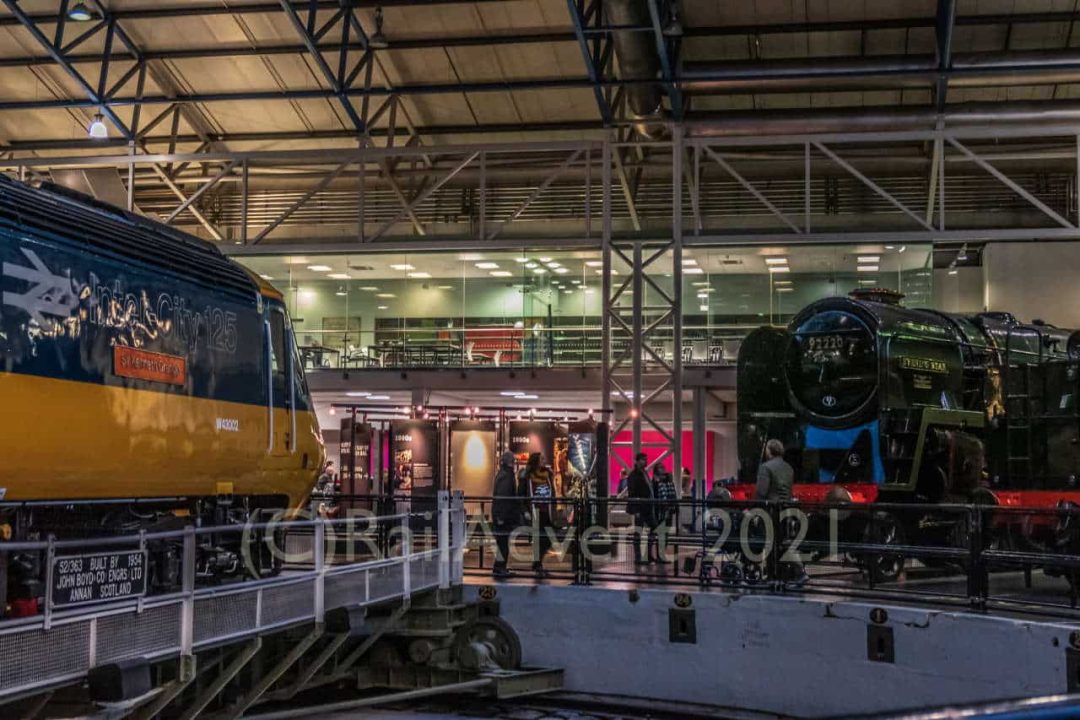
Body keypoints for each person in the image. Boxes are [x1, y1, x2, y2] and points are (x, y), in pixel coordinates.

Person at [521, 452, 554, 576]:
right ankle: (538, 564)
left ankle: (537, 562)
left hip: (547, 511)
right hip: (534, 511)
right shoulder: (527, 476)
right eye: (541, 459)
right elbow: (522, 495)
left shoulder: (547, 475)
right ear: (535, 461)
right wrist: (525, 511)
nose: (544, 460)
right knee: (539, 538)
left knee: (549, 538)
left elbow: (552, 492)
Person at [491, 450, 522, 579]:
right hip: (503, 516)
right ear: (511, 462)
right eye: (514, 461)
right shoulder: (507, 476)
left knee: (502, 542)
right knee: (503, 542)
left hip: (500, 514)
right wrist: (501, 517)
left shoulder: (502, 474)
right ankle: (500, 567)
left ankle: (499, 567)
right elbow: (504, 497)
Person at [625, 453, 654, 565]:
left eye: (645, 459)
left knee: (648, 529)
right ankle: (639, 557)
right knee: (639, 531)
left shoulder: (643, 473)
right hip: (641, 507)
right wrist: (636, 509)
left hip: (646, 506)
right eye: (642, 460)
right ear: (637, 461)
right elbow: (632, 492)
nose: (645, 462)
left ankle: (646, 555)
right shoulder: (635, 475)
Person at [651, 464, 678, 563]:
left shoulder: (667, 481)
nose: (663, 470)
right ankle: (660, 556)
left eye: (663, 468)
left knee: (665, 534)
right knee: (662, 534)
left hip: (667, 511)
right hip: (661, 512)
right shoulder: (656, 482)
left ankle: (661, 555)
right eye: (660, 468)